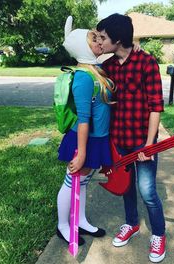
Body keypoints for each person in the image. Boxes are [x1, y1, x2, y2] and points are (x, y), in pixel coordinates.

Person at [96, 14, 166, 263]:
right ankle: (132, 224)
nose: (100, 42)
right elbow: (87, 56)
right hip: (118, 140)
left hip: (142, 141)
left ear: (118, 38)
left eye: (103, 37)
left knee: (147, 191)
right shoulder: (107, 67)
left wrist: (150, 144)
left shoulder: (147, 63)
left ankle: (159, 234)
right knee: (126, 187)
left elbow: (156, 106)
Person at [56, 16, 116, 246]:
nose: (100, 41)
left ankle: (80, 220)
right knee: (71, 181)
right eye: (94, 38)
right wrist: (81, 153)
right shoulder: (83, 77)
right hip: (83, 140)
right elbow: (83, 120)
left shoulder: (97, 70)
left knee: (84, 182)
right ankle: (63, 225)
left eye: (100, 38)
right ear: (83, 47)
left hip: (97, 139)